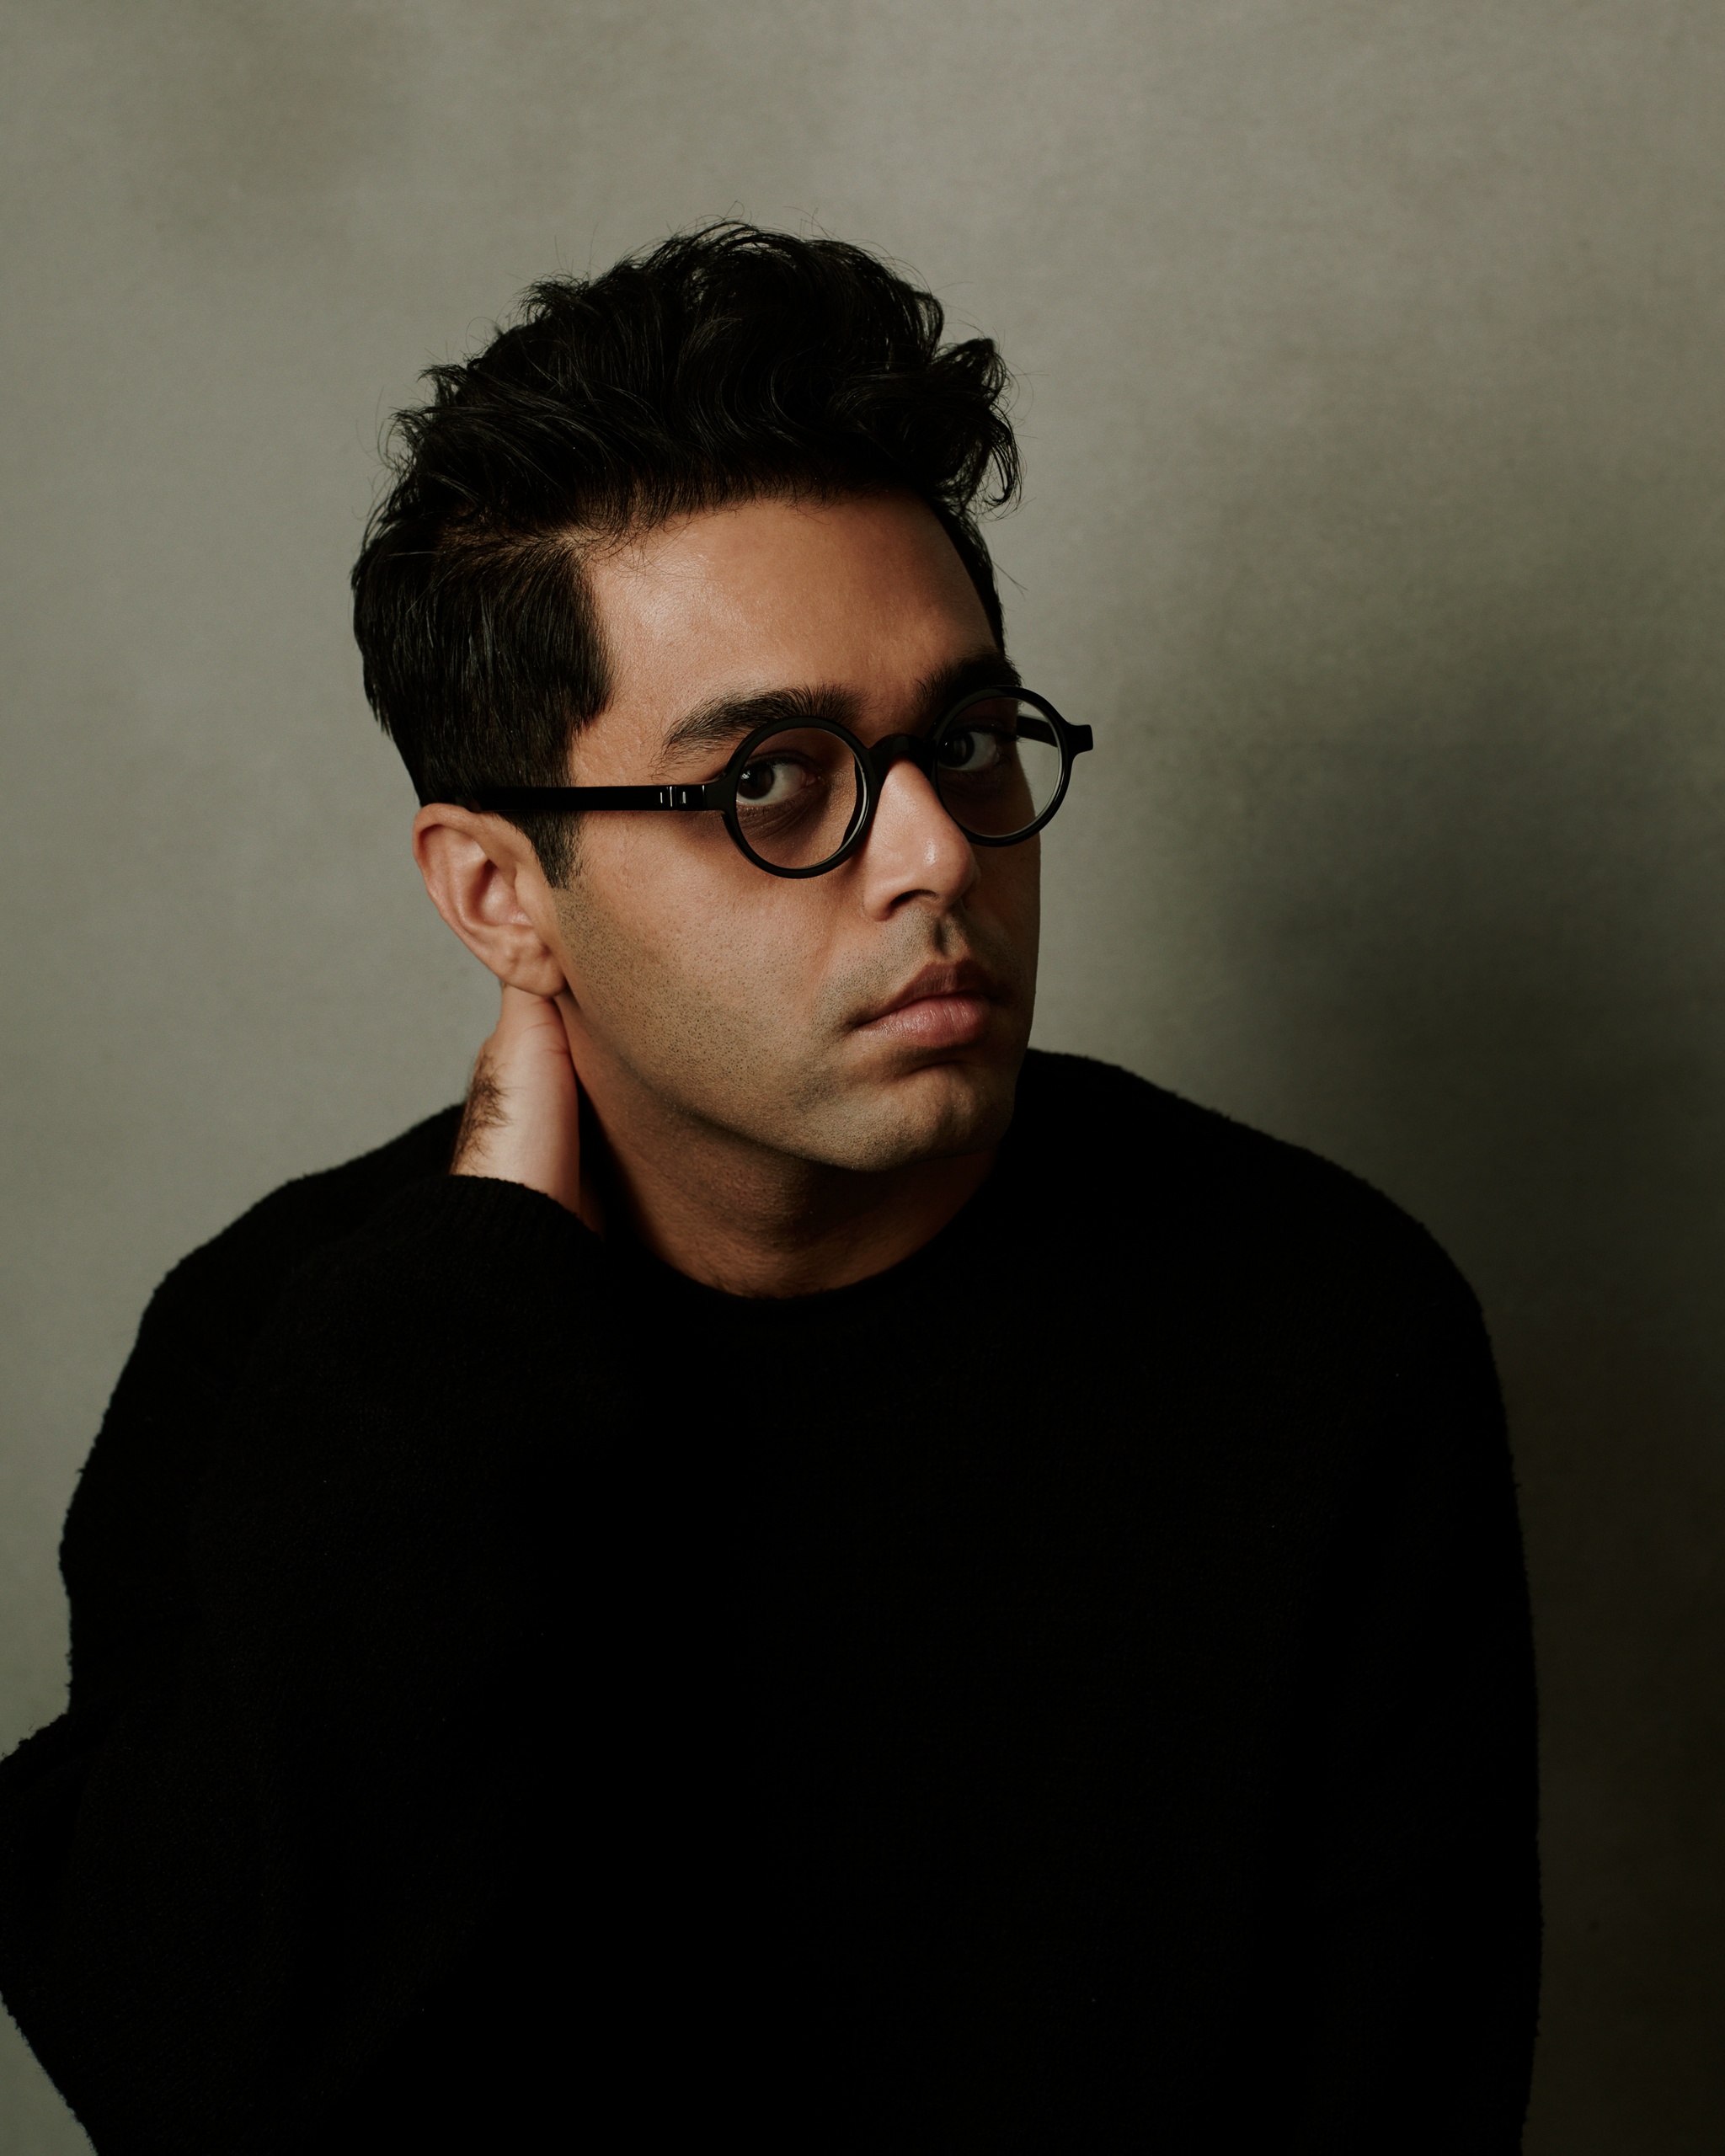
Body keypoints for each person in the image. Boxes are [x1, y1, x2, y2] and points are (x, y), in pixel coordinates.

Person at [0, 224, 1539, 2153]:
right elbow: (212, 2077)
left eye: (964, 741)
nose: (934, 854)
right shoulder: (283, 1347)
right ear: (498, 891)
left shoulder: (1319, 1328)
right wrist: (478, 1307)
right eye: (776, 782)